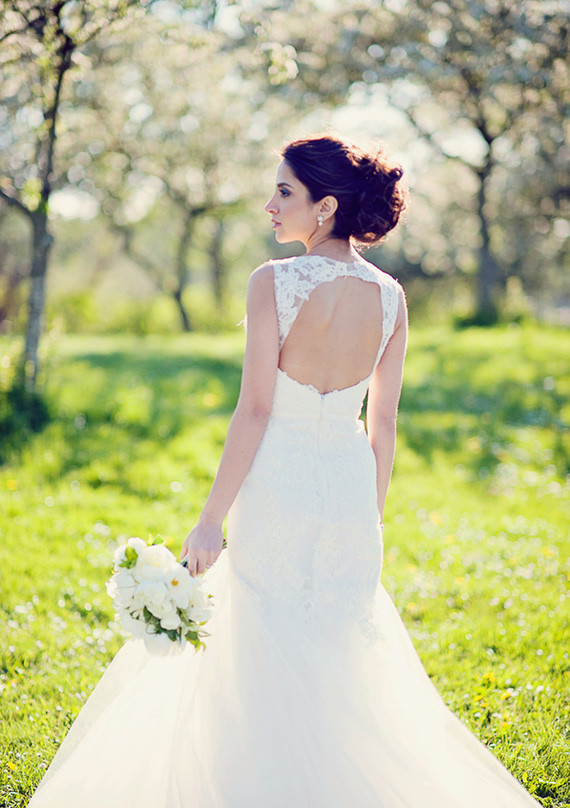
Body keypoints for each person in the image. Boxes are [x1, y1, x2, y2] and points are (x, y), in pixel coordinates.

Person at [28, 134, 540, 807]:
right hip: (350, 492)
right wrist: (371, 513)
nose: (270, 205)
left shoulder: (273, 281)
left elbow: (256, 410)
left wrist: (209, 522)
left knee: (260, 649)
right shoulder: (390, 297)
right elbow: (383, 423)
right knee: (335, 652)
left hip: (277, 487)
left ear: (325, 206)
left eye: (284, 192)